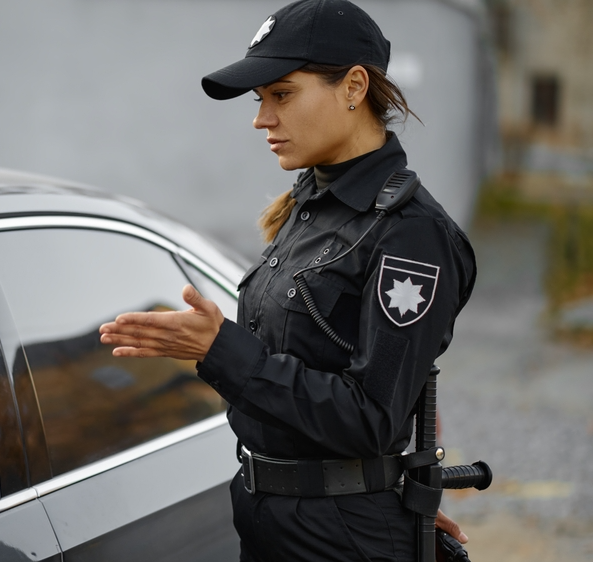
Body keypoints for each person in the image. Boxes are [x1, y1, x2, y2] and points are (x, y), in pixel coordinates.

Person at [99, 0, 475, 560]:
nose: (261, 119)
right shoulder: (311, 201)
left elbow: (371, 418)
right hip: (274, 519)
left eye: (282, 95)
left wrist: (221, 349)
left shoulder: (409, 234)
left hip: (340, 541)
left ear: (353, 87)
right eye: (260, 100)